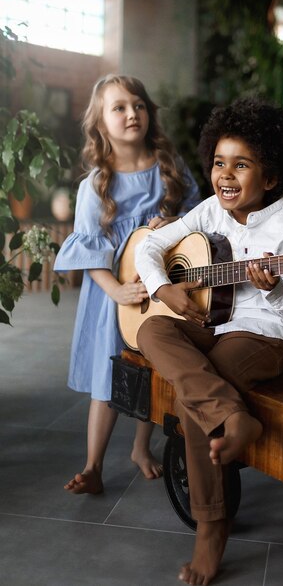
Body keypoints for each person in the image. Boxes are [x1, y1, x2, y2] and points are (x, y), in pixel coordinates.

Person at [134, 97, 283, 585]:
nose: (226, 175)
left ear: (271, 177)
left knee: (198, 397)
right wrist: (164, 288)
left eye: (242, 164)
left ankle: (211, 527)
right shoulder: (211, 210)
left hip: (261, 333)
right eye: (219, 162)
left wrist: (273, 285)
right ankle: (234, 417)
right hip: (210, 322)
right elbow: (152, 245)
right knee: (152, 327)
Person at [54, 74, 201, 495]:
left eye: (137, 104)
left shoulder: (168, 168)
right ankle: (93, 465)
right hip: (114, 293)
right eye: (118, 107)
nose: (131, 113)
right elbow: (89, 251)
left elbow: (195, 213)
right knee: (111, 375)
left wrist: (173, 221)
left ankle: (141, 447)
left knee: (153, 367)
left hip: (162, 286)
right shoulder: (96, 184)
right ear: (100, 123)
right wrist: (115, 290)